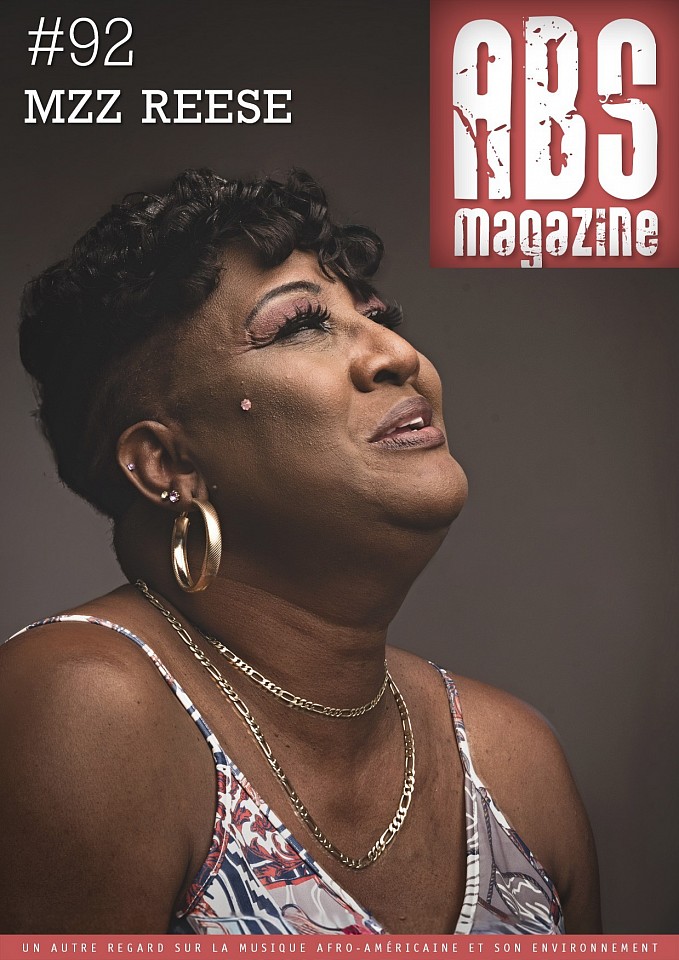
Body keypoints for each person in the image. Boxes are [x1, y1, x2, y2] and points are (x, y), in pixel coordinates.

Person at [0, 170, 600, 936]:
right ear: (167, 463)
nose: (396, 354)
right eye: (298, 326)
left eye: (377, 316)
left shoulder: (513, 762)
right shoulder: (86, 709)